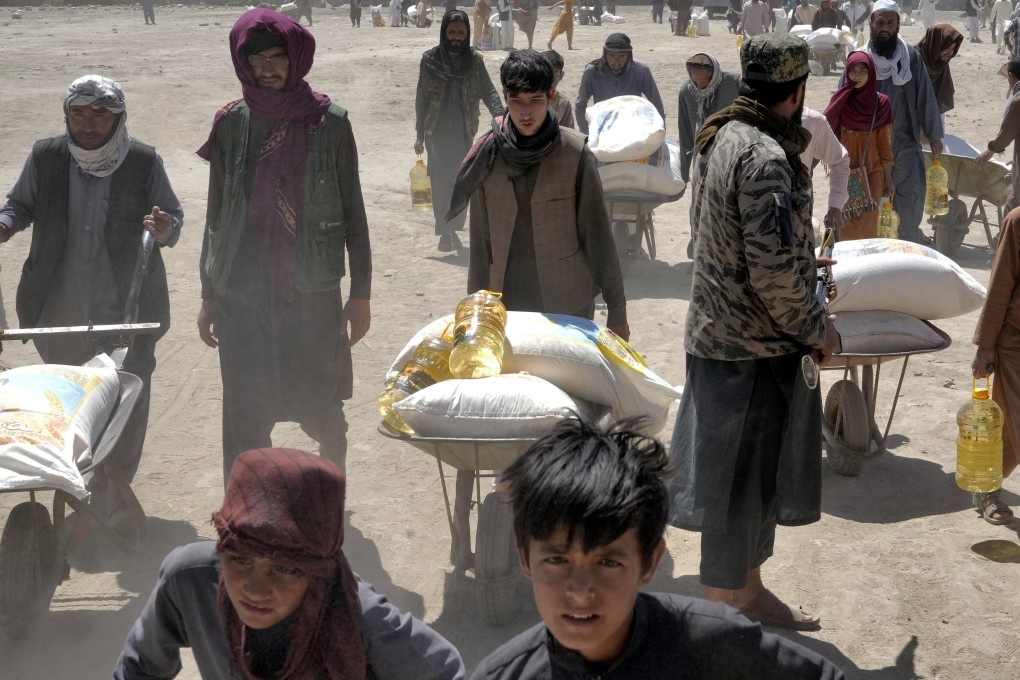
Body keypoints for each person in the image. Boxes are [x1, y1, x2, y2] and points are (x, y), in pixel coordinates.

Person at [670, 33, 841, 631]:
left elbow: (731, 242)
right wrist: (818, 327)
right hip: (748, 353)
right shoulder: (765, 158)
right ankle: (722, 622)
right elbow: (770, 275)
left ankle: (748, 593)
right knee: (737, 490)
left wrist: (801, 261)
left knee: (754, 484)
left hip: (725, 338)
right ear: (796, 92)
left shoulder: (722, 136)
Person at [469, 417, 848, 679]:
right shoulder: (503, 674)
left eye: (607, 561)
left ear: (650, 561)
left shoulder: (713, 641)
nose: (581, 591)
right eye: (556, 559)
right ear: (525, 559)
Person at [0, 75, 182, 529]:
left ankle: (114, 494)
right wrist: (3, 224)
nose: (88, 123)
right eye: (79, 113)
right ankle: (83, 485)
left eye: (100, 114)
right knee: (66, 402)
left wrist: (163, 228)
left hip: (128, 311)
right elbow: (18, 205)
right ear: (67, 115)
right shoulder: (47, 156)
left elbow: (172, 219)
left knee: (125, 402)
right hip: (56, 309)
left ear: (117, 118)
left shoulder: (142, 160)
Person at [196, 9, 371, 481]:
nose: (269, 68)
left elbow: (353, 211)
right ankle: (247, 502)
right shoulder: (230, 124)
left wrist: (360, 295)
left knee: (319, 400)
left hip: (309, 287)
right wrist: (208, 295)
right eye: (258, 59)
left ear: (296, 59)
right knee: (245, 407)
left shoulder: (330, 123)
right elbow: (215, 216)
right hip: (242, 291)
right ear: (243, 63)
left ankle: (332, 477)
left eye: (279, 57)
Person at [114, 448, 466, 679]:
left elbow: (446, 671)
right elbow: (138, 670)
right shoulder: (188, 580)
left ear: (319, 572)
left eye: (284, 568)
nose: (255, 587)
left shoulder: (359, 617)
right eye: (239, 559)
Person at [449, 49, 629, 339]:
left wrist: (617, 311)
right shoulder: (487, 155)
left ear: (551, 95)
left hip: (567, 305)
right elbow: (481, 247)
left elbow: (598, 237)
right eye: (517, 101)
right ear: (505, 96)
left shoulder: (574, 154)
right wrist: (475, 313)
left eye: (535, 100)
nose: (526, 112)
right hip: (505, 303)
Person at [854, 0, 943, 244]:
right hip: (869, 148)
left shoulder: (911, 58)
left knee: (911, 196)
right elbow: (844, 100)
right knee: (867, 204)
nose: (885, 28)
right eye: (880, 23)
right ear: (871, 24)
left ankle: (908, 243)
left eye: (890, 23)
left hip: (905, 143)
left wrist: (934, 134)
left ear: (898, 25)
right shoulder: (861, 60)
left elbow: (925, 95)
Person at [415, 11, 503, 252]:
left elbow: (489, 92)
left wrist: (501, 116)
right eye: (451, 32)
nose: (456, 37)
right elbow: (421, 97)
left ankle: (452, 229)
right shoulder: (430, 59)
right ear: (444, 32)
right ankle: (446, 232)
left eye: (460, 33)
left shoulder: (475, 61)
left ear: (467, 34)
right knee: (442, 182)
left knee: (462, 181)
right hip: (436, 133)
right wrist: (419, 135)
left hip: (464, 133)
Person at [970, 206, 1020, 526]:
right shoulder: (1017, 222)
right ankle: (986, 487)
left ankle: (985, 484)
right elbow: (1000, 287)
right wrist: (985, 346)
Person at [824, 52, 894, 239]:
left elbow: (884, 145)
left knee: (869, 218)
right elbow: (828, 138)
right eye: (853, 70)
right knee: (847, 219)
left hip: (872, 171)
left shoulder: (881, 103)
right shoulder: (840, 101)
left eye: (863, 70)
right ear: (846, 72)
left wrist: (889, 178)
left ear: (871, 73)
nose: (857, 75)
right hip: (845, 172)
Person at [574, 33, 666, 135]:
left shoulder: (641, 71)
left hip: (633, 127)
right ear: (605, 54)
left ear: (629, 55)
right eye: (612, 56)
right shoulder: (592, 72)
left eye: (621, 56)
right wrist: (586, 133)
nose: (616, 61)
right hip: (602, 127)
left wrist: (659, 133)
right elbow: (580, 105)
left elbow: (656, 103)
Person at [677, 52, 741, 185]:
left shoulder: (734, 83)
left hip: (731, 154)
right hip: (702, 155)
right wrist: (684, 171)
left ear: (714, 76)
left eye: (704, 83)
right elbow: (685, 133)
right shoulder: (687, 92)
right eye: (695, 82)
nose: (699, 88)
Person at [976, 57, 1020, 210]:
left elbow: (1006, 134)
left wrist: (990, 151)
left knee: (1013, 209)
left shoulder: (1018, 101)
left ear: (1012, 77)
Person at [799, 106, 850, 235]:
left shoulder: (811, 121)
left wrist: (835, 205)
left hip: (798, 219)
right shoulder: (746, 122)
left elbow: (839, 161)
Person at [916, 24, 964, 116]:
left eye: (953, 48)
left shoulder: (940, 62)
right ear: (935, 44)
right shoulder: (913, 61)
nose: (950, 52)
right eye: (946, 47)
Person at [543, 49, 576, 128]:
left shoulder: (563, 103)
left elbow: (568, 132)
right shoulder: (526, 97)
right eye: (546, 71)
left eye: (555, 72)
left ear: (561, 75)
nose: (551, 77)